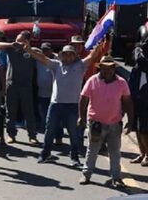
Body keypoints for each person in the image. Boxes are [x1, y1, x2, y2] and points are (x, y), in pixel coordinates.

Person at [26, 42, 104, 166]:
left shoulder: (80, 65)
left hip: (73, 105)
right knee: (49, 130)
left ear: (74, 56)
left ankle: (74, 158)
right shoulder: (56, 65)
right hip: (55, 104)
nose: (68, 57)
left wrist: (99, 48)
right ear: (62, 56)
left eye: (70, 54)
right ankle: (45, 154)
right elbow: (42, 58)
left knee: (73, 132)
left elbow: (92, 57)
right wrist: (29, 50)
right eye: (65, 54)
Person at [78, 55, 135, 188]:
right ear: (100, 68)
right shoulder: (92, 80)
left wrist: (130, 122)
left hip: (114, 123)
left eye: (110, 68)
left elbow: (127, 101)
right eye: (104, 68)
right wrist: (81, 116)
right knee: (93, 150)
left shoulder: (121, 82)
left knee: (115, 151)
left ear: (114, 69)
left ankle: (116, 177)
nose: (107, 71)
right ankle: (86, 174)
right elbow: (83, 99)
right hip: (96, 122)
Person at [0, 31, 39, 145]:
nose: (18, 43)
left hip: (26, 86)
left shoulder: (33, 52)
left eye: (21, 41)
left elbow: (42, 56)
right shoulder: (11, 50)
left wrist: (28, 49)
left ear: (27, 41)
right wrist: (10, 44)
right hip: (11, 84)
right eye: (17, 40)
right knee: (10, 112)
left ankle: (32, 136)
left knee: (29, 112)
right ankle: (11, 135)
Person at [129, 38, 148, 166]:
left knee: (144, 129)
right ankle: (142, 153)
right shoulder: (136, 68)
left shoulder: (143, 61)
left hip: (146, 98)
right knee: (135, 126)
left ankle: (147, 154)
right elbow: (137, 58)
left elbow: (141, 61)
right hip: (136, 96)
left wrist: (139, 49)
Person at [34, 43, 58, 138]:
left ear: (52, 50)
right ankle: (46, 133)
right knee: (43, 114)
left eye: (47, 50)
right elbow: (31, 49)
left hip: (54, 94)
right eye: (43, 50)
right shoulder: (39, 59)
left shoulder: (57, 60)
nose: (45, 52)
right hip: (41, 93)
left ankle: (55, 135)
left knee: (54, 116)